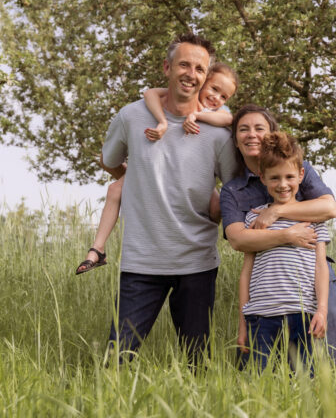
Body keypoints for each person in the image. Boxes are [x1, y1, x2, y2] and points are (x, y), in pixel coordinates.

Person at [99, 32, 240, 363]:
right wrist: (137, 181)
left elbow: (233, 188)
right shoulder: (132, 116)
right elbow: (108, 159)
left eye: (200, 69)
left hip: (197, 262)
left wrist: (220, 210)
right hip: (141, 260)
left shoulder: (219, 133)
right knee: (115, 361)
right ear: (167, 67)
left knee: (198, 364)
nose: (192, 74)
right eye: (184, 65)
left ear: (206, 77)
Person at [220, 104, 336, 361]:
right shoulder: (233, 191)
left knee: (333, 359)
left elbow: (328, 207)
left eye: (259, 128)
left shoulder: (299, 167)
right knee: (259, 367)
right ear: (235, 140)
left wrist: (276, 213)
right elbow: (238, 240)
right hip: (266, 295)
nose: (252, 135)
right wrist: (287, 235)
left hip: (309, 281)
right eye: (243, 129)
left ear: (271, 133)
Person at [75, 62, 239, 275]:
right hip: (154, 171)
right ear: (202, 81)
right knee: (115, 189)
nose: (217, 98)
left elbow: (228, 118)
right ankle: (97, 249)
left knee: (216, 204)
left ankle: (196, 240)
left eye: (224, 96)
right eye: (214, 89)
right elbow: (149, 93)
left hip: (194, 189)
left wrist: (197, 116)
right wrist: (162, 121)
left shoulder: (217, 115)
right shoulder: (165, 100)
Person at [239, 131, 330, 372]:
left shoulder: (314, 219)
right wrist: (242, 324)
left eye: (289, 176)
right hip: (260, 315)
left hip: (303, 314)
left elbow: (321, 267)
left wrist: (322, 309)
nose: (282, 184)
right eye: (274, 178)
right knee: (258, 380)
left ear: (301, 175)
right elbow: (246, 272)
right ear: (262, 178)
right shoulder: (254, 218)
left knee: (303, 380)